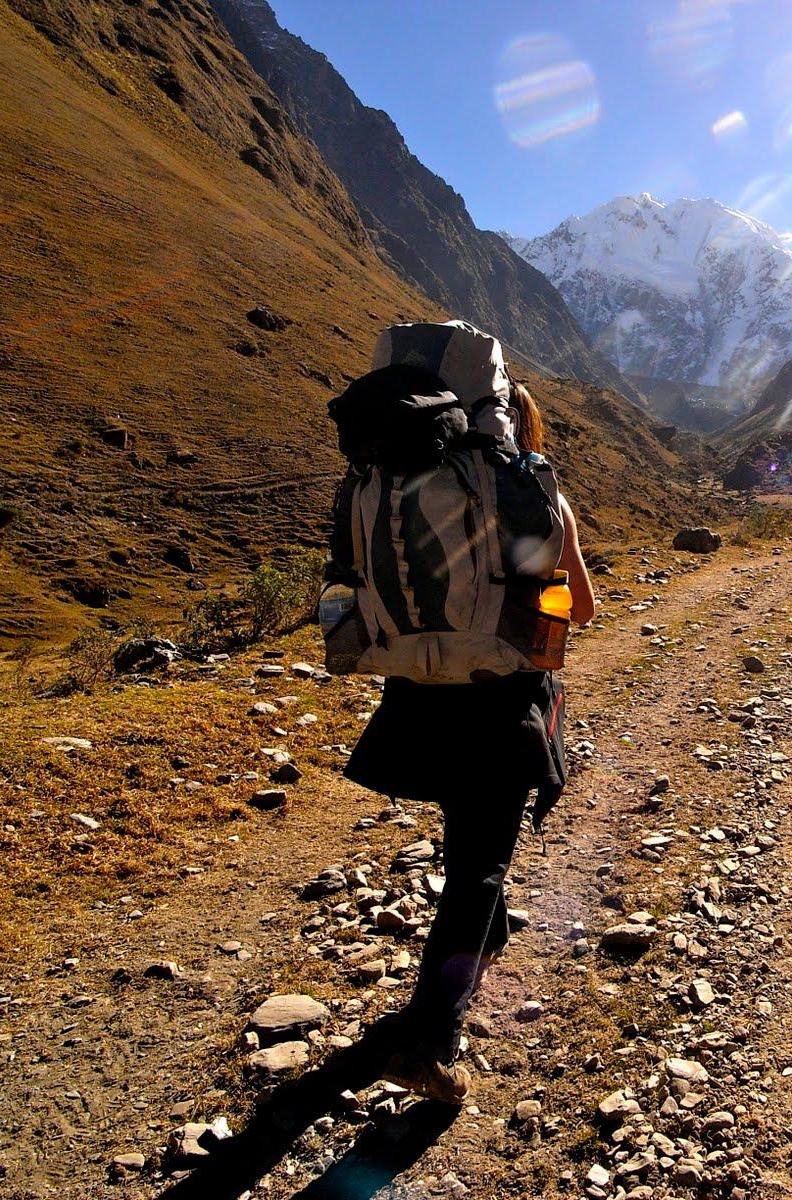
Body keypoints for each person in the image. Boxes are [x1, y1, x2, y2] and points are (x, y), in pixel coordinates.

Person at [342, 381, 595, 1103]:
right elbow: (580, 607)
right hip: (501, 705)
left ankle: (486, 939)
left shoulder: (395, 487)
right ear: (514, 429)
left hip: (419, 695)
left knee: (470, 844)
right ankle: (431, 1038)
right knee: (479, 867)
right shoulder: (537, 496)